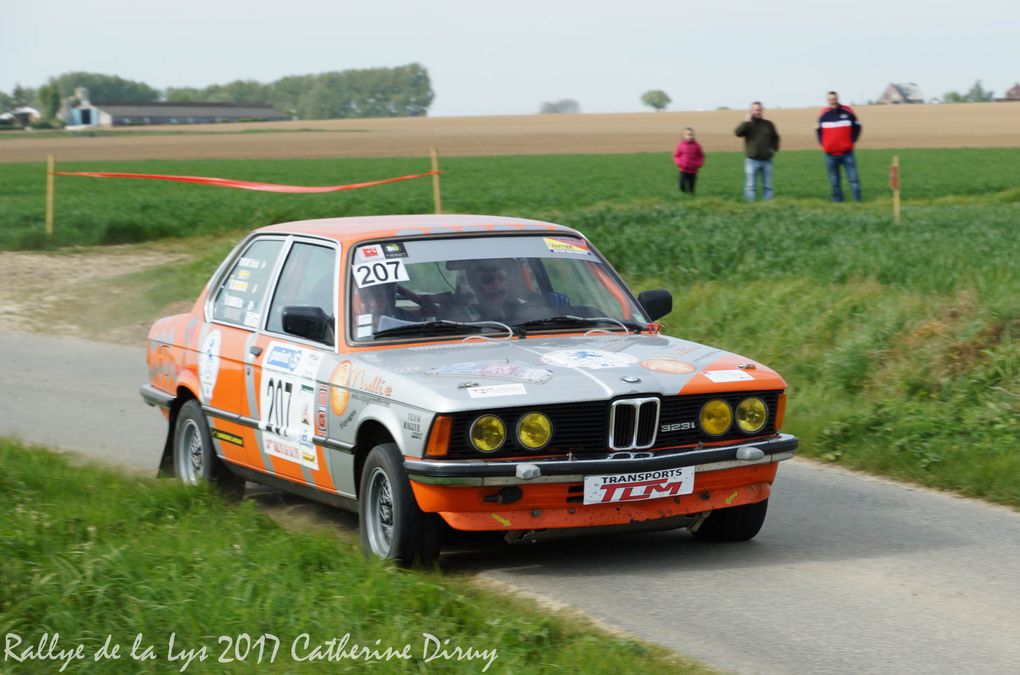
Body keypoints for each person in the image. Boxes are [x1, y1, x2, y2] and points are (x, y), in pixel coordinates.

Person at [816, 91, 862, 202]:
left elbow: (858, 126)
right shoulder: (823, 114)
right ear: (828, 101)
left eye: (834, 99)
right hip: (830, 155)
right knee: (834, 181)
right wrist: (824, 145)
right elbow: (818, 130)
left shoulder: (847, 111)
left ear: (838, 99)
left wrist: (852, 141)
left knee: (853, 179)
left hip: (847, 154)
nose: (833, 101)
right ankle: (838, 202)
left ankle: (858, 201)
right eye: (830, 99)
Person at [734, 101, 780, 201]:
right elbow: (737, 133)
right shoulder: (748, 124)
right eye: (755, 110)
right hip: (752, 160)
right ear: (751, 111)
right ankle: (750, 206)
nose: (757, 112)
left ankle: (768, 205)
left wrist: (774, 149)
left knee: (768, 186)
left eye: (759, 110)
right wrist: (746, 121)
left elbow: (775, 137)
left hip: (767, 160)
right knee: (750, 186)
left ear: (762, 111)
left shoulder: (768, 124)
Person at [673, 127, 705, 194]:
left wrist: (699, 164)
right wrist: (679, 163)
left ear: (693, 135)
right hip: (683, 170)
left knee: (691, 187)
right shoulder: (680, 145)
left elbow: (701, 156)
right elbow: (676, 156)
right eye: (687, 134)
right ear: (684, 136)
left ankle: (691, 197)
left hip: (693, 171)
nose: (689, 136)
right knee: (681, 185)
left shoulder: (697, 146)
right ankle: (684, 193)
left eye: (691, 134)